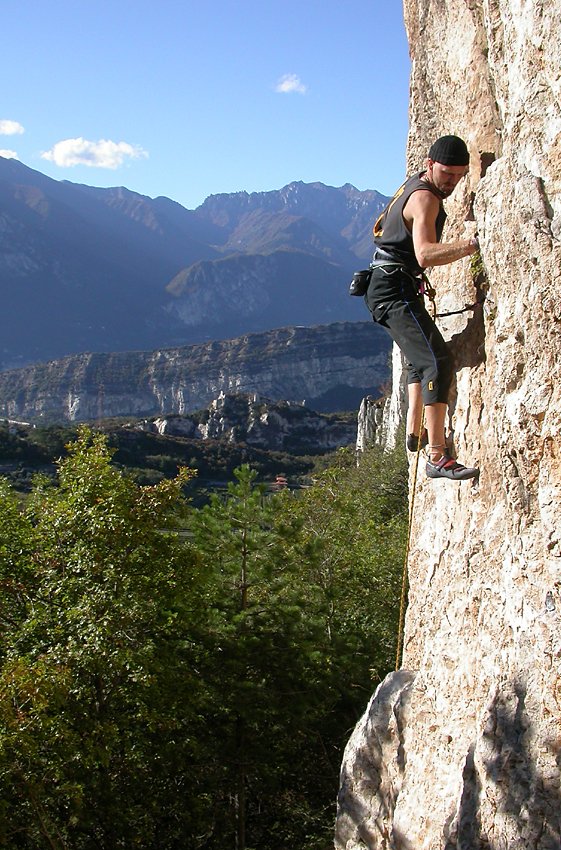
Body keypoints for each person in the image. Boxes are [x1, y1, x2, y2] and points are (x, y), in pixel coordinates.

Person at [365, 134, 479, 481]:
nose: (452, 182)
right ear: (430, 165)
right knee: (437, 361)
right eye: (447, 173)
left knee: (420, 357)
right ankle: (438, 456)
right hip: (394, 289)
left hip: (387, 285)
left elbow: (382, 228)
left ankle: (414, 430)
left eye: (459, 176)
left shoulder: (412, 185)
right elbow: (425, 254)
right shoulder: (426, 198)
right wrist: (471, 245)